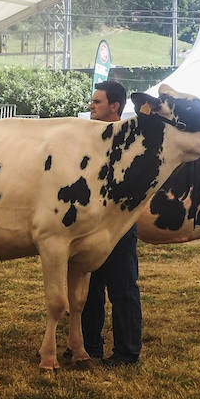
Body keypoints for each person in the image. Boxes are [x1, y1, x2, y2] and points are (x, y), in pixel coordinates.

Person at [80, 80, 145, 359]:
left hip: (118, 224)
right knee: (89, 288)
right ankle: (89, 345)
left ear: (114, 106)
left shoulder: (130, 138)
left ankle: (127, 352)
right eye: (92, 101)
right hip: (90, 223)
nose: (91, 106)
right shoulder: (86, 135)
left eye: (97, 102)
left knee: (123, 288)